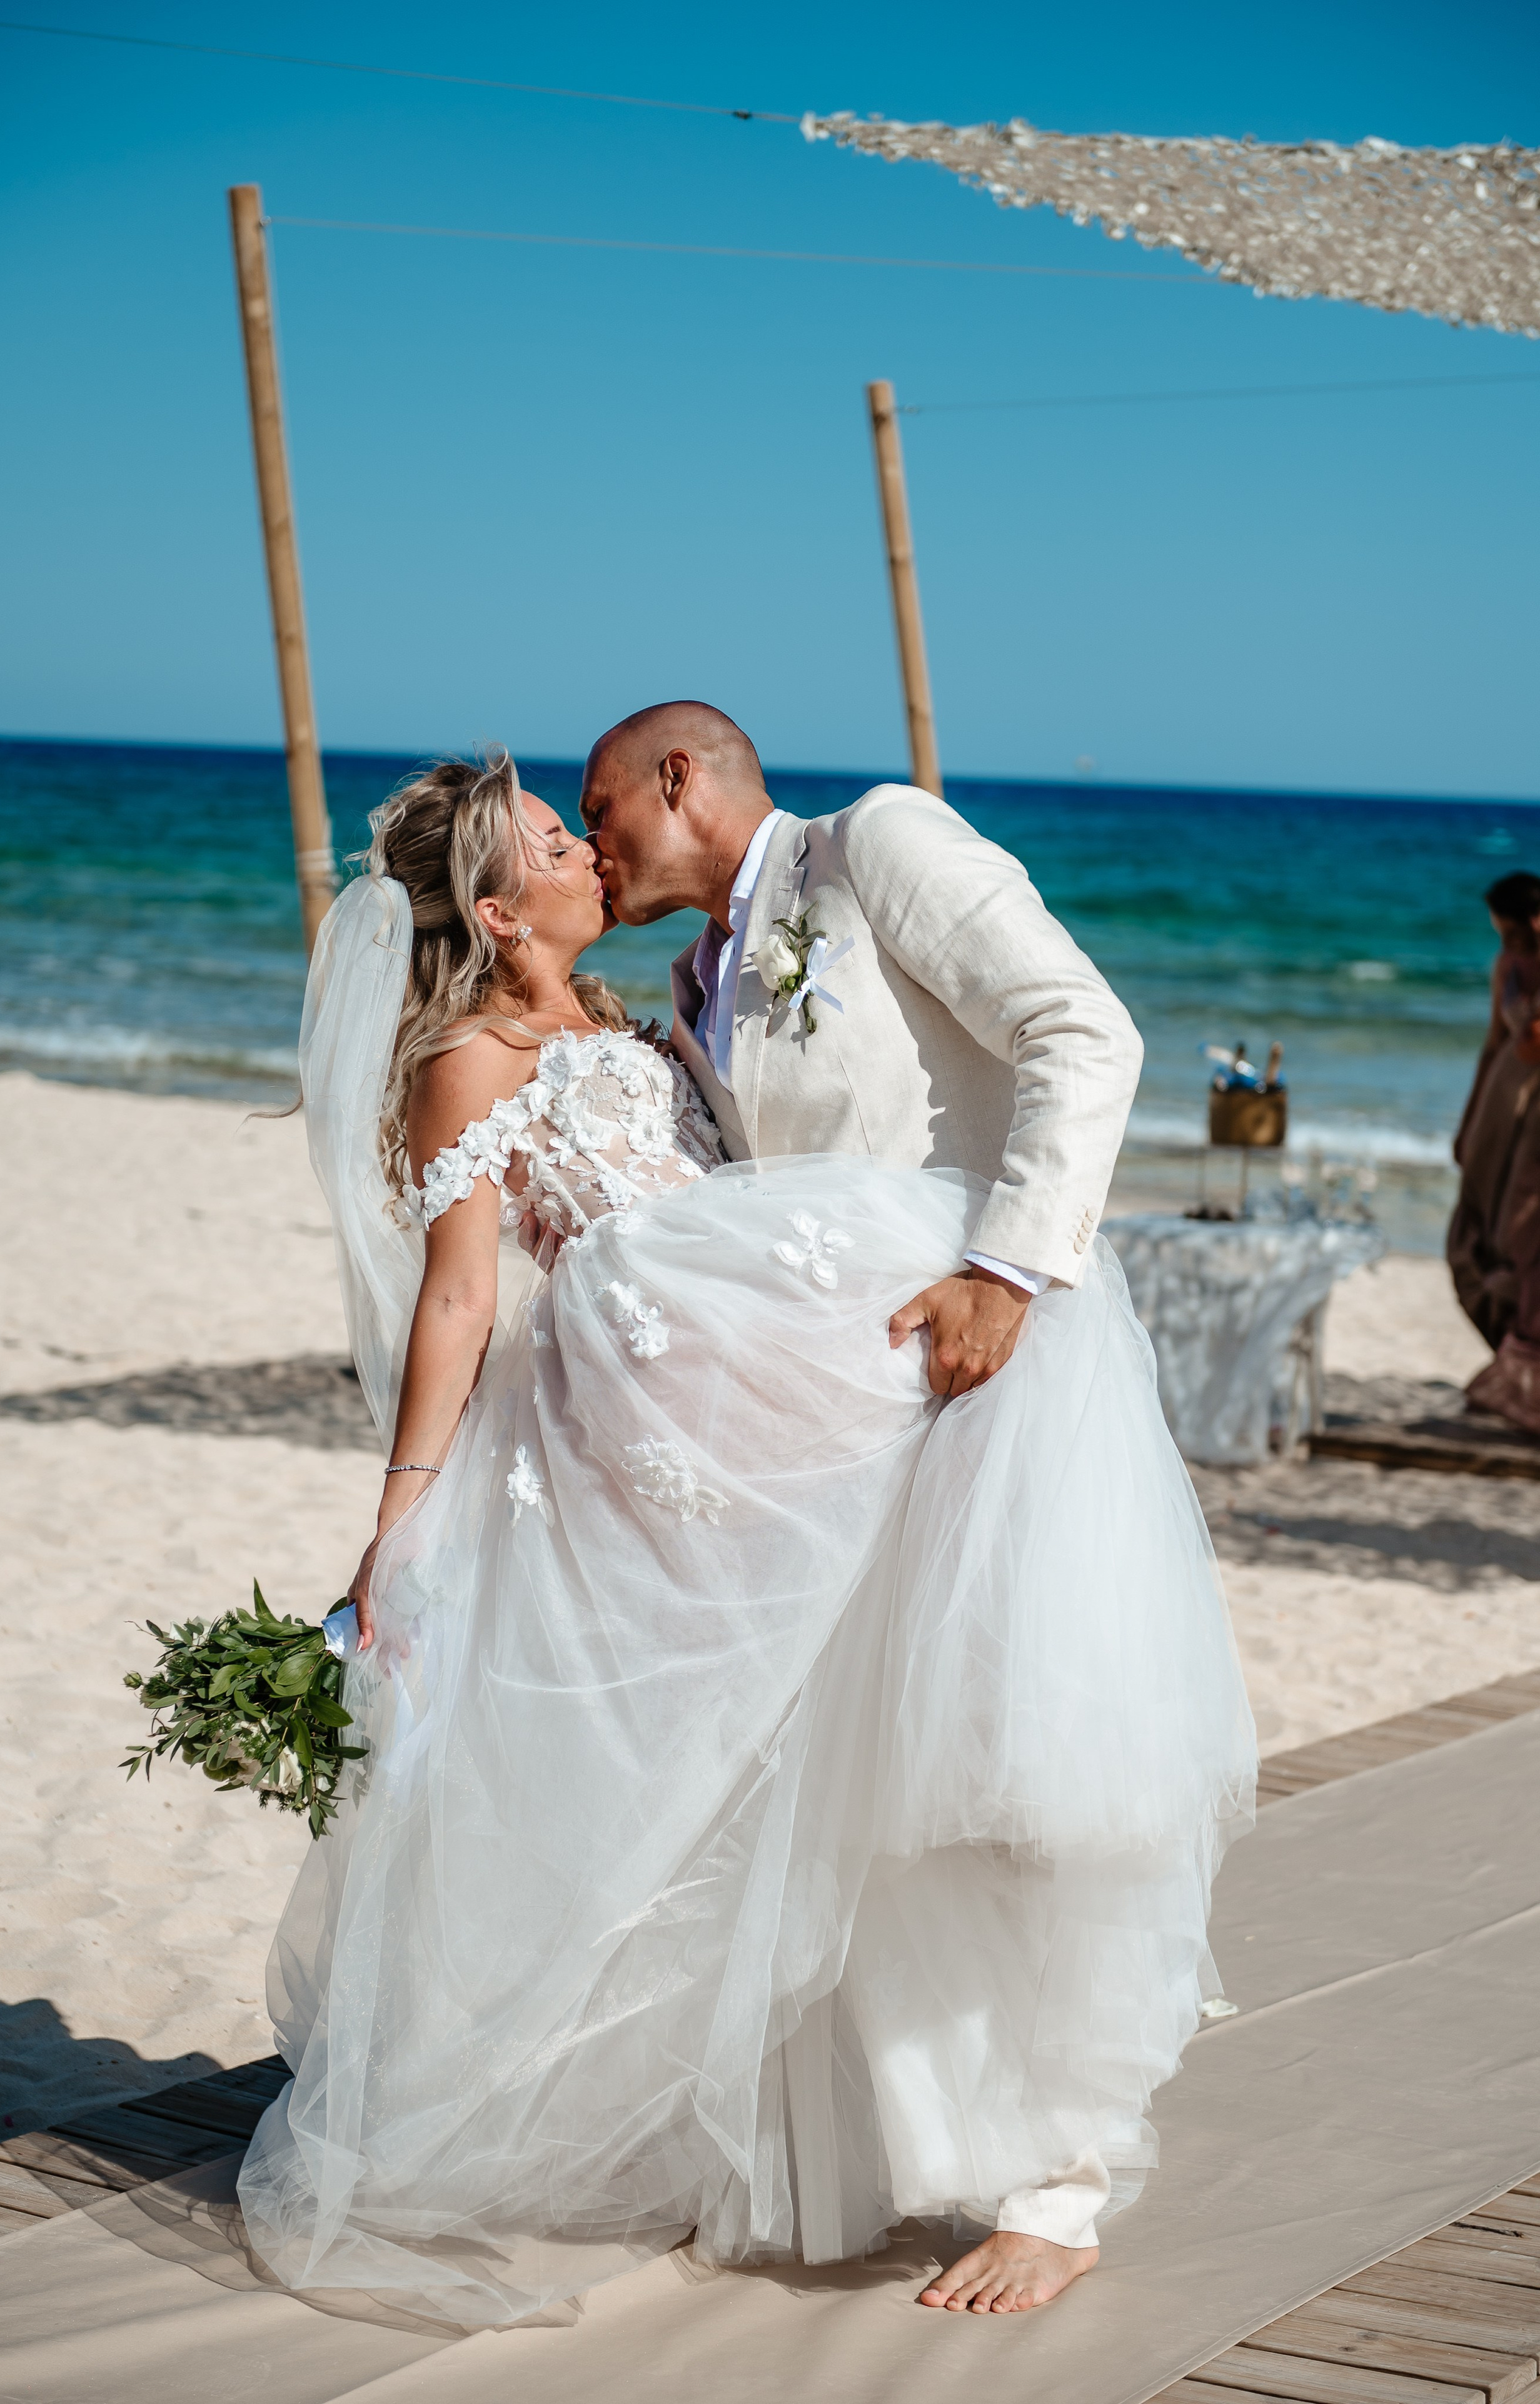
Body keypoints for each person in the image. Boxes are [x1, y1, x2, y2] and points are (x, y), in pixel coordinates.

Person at [239, 730, 1256, 2332]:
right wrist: (402, 1519)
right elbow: (459, 1294)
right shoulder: (621, 1006)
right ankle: (902, 2145)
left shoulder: (856, 865)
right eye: (549, 842)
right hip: (747, 1447)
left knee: (1009, 1777)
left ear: (675, 783)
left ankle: (1063, 2175)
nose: (586, 848)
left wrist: (1006, 1267)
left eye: (592, 819)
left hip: (948, 1363)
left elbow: (1072, 1034)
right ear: (495, 914)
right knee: (828, 1803)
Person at [1451, 954, 1540, 1425]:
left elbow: (1525, 1040)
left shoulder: (1519, 971)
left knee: (1517, 1239)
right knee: (1504, 1237)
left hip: (1520, 1102)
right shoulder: (1518, 965)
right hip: (1513, 1105)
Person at [1453, 871, 1540, 1167]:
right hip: (1504, 1091)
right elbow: (1494, 1044)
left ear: (1536, 920)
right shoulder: (1507, 965)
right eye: (1500, 934)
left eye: (1512, 933)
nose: (1506, 944)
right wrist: (1469, 1121)